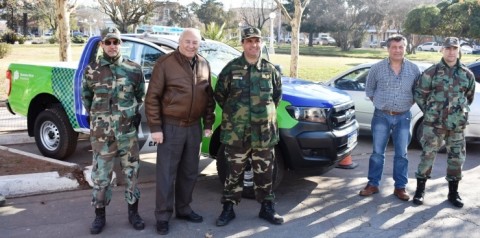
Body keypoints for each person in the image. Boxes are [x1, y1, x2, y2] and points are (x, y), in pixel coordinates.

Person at [144, 28, 215, 235]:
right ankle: (163, 216)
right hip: (170, 126)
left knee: (189, 172)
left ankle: (183, 209)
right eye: (188, 41)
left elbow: (208, 98)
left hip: (194, 127)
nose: (191, 46)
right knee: (166, 174)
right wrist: (156, 128)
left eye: (195, 42)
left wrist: (208, 123)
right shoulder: (165, 63)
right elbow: (152, 98)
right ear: (180, 41)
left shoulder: (204, 64)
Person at [214, 27, 284, 226]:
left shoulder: (270, 70)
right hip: (237, 134)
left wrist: (262, 115)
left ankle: (267, 208)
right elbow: (220, 96)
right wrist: (237, 115)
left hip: (263, 134)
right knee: (233, 172)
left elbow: (276, 97)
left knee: (265, 172)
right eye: (249, 41)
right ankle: (228, 208)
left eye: (257, 41)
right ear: (243, 44)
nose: (254, 44)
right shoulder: (231, 69)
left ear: (261, 43)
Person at [81, 27, 145, 235]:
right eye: (108, 42)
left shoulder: (133, 69)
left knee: (132, 174)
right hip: (102, 136)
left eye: (115, 42)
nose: (112, 46)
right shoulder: (92, 69)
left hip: (127, 134)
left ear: (120, 44)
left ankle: (133, 213)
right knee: (101, 176)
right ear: (102, 45)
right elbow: (87, 98)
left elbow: (139, 96)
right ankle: (99, 217)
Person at [413, 37, 475, 208]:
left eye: (454, 48)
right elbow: (420, 94)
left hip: (456, 126)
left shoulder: (466, 74)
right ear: (442, 50)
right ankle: (420, 191)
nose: (451, 51)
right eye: (448, 48)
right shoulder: (431, 72)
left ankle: (453, 193)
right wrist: (431, 112)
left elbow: (468, 97)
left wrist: (455, 113)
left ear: (458, 50)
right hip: (434, 125)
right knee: (427, 156)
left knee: (456, 159)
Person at [360, 34, 421, 201]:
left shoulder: (414, 69)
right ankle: (373, 184)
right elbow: (370, 90)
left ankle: (400, 187)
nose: (397, 50)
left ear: (405, 48)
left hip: (403, 116)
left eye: (401, 47)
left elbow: (418, 92)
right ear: (388, 49)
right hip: (381, 115)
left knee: (402, 153)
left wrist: (406, 104)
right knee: (377, 153)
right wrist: (381, 104)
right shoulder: (377, 68)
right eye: (394, 47)